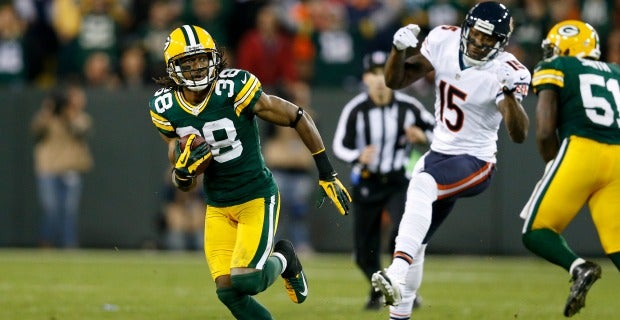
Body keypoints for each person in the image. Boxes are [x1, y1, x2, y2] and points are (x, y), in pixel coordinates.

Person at [147, 25, 351, 319]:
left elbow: (297, 116)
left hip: (255, 196)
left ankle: (285, 258)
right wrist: (182, 173)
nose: (196, 68)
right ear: (172, 68)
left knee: (247, 280)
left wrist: (326, 172)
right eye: (187, 63)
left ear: (214, 58)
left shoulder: (234, 88)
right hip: (217, 205)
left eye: (202, 59)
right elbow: (182, 173)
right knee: (228, 291)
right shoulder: (164, 106)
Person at [369, 2, 530, 319]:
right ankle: (399, 312)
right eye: (478, 35)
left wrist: (509, 95)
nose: (481, 43)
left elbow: (519, 133)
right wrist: (397, 51)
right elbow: (395, 81)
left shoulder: (508, 70)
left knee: (423, 183)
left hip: (476, 160)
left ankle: (395, 273)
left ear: (501, 42)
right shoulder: (443, 39)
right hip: (439, 152)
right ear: (467, 27)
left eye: (490, 39)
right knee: (416, 240)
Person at [519, 20, 620, 318]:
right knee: (617, 245)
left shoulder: (558, 65)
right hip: (618, 157)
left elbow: (545, 129)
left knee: (536, 230)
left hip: (581, 149)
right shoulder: (616, 71)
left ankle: (579, 267)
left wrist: (552, 163)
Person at [332, 50, 434, 310]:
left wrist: (423, 137)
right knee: (364, 252)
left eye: (383, 72)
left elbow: (437, 131)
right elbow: (339, 145)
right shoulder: (355, 109)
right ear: (365, 78)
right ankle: (379, 289)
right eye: (373, 73)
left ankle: (402, 288)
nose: (379, 80)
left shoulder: (409, 107)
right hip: (368, 181)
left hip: (399, 180)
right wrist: (358, 156)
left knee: (400, 236)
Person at [31, 83, 94, 248]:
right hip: (48, 168)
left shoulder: (81, 117)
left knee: (69, 210)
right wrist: (48, 111)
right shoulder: (48, 118)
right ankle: (46, 242)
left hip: (70, 169)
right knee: (50, 207)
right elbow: (36, 128)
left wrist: (70, 113)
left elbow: (79, 129)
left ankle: (69, 244)